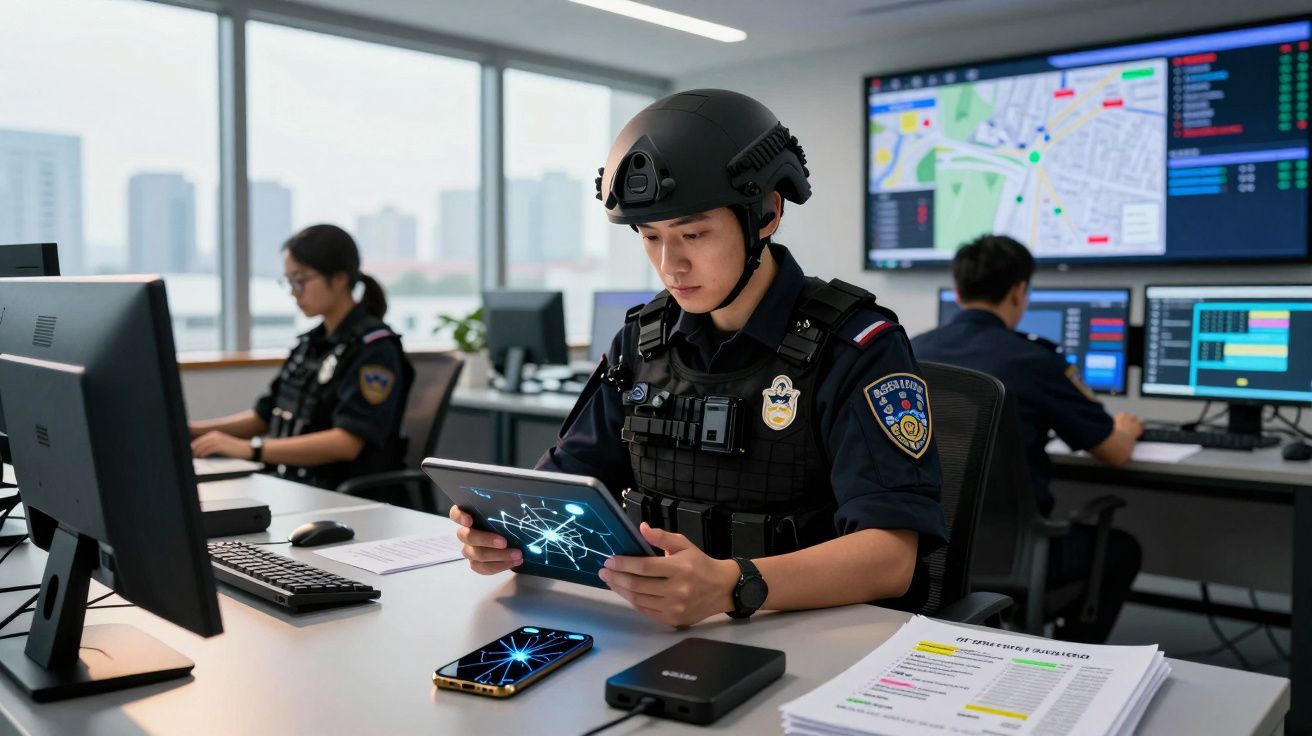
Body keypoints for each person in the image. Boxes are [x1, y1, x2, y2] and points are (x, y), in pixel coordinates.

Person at [450, 89, 946, 628]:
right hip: (654, 629)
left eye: (693, 233)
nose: (671, 265)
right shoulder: (640, 342)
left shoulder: (857, 346)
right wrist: (506, 533)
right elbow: (564, 486)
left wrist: (734, 585)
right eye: (650, 237)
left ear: (766, 214)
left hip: (810, 638)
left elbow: (892, 558)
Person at [911, 234, 1142, 642]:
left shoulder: (912, 351)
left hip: (925, 552)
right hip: (1012, 556)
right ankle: (1075, 660)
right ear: (1019, 292)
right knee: (1121, 549)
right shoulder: (1035, 360)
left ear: (959, 290)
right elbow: (1114, 452)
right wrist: (1126, 429)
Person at [190, 224, 414, 494]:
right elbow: (266, 416)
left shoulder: (375, 349)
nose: (294, 292)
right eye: (289, 281)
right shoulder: (310, 344)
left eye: (301, 280)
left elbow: (347, 442)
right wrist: (193, 432)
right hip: (294, 487)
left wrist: (252, 448)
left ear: (340, 279)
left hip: (342, 495)